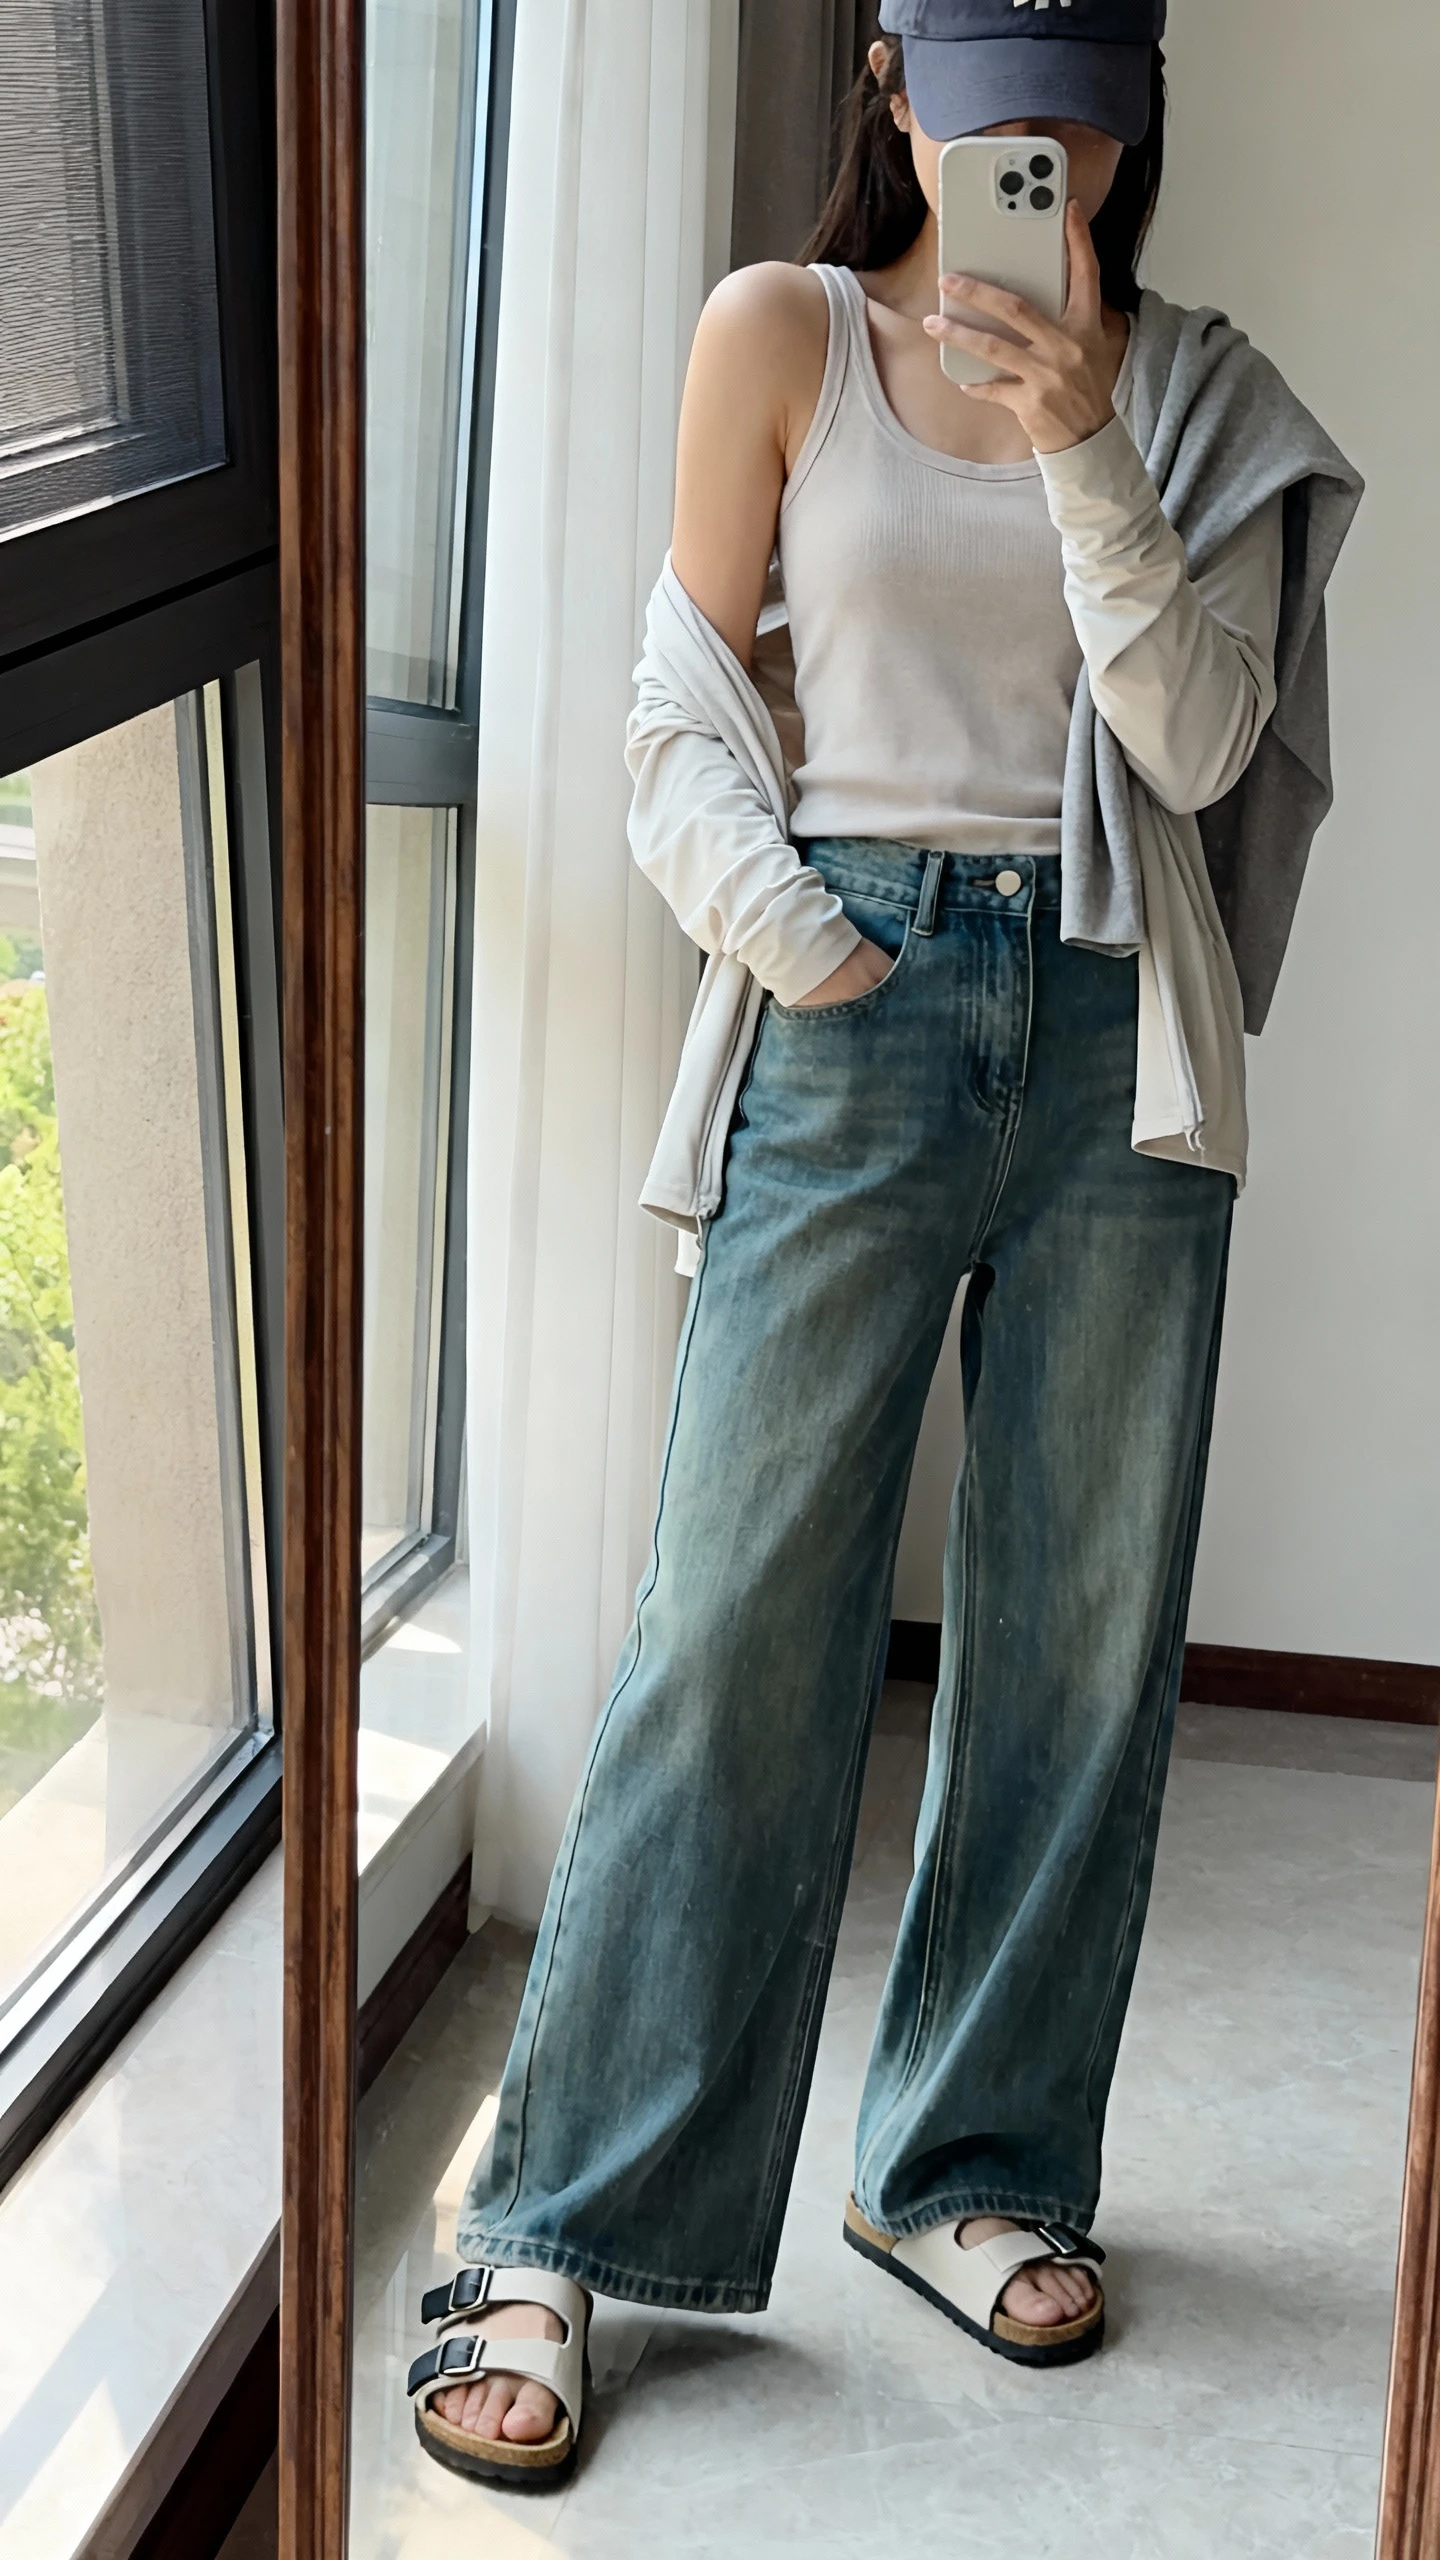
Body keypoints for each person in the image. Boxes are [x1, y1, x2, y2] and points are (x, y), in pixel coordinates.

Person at [405, 0, 1361, 2490]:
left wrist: (1082, 439)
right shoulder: (783, 333)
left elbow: (1202, 744)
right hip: (851, 998)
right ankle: (563, 2220)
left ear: (1133, 119)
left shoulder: (1200, 393)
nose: (1031, 139)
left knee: (1074, 1635)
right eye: (984, 86)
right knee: (733, 1621)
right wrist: (805, 937)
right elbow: (670, 709)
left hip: (1121, 1033)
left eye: (1078, 104)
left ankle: (970, 2158)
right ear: (887, 81)